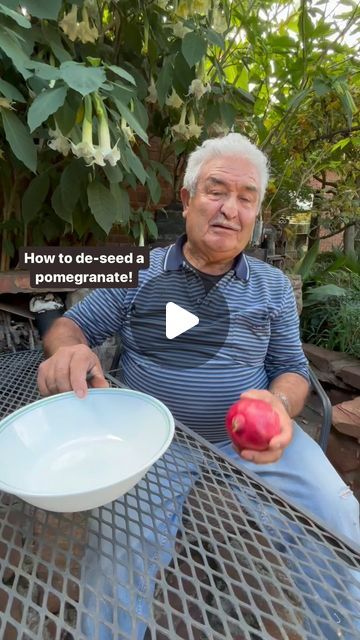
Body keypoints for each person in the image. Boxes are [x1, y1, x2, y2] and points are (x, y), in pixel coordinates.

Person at [38, 133, 360, 637]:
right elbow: (69, 327)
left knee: (342, 526)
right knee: (119, 554)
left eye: (246, 197)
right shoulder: (139, 270)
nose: (230, 209)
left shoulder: (271, 285)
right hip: (153, 443)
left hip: (257, 443)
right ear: (186, 201)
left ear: (256, 214)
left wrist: (279, 404)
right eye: (216, 191)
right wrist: (67, 350)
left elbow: (294, 368)